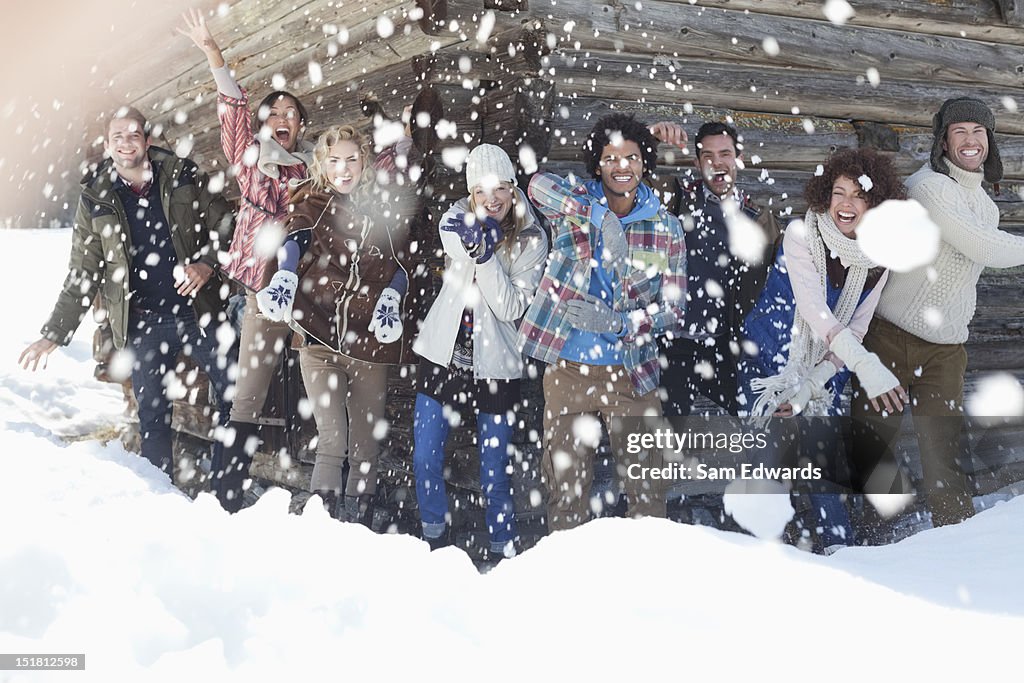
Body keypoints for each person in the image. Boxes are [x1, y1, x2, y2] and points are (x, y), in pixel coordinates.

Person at [19, 106, 235, 475]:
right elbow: (82, 273)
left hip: (197, 311)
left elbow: (227, 223)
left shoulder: (182, 174)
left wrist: (207, 263)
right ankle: (161, 494)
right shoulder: (96, 198)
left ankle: (226, 490)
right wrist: (54, 334)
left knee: (234, 394)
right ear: (108, 144)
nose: (125, 143)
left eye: (133, 135)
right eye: (117, 137)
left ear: (147, 140)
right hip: (144, 322)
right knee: (152, 415)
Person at [851, 97, 1024, 530]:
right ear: (943, 140)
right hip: (890, 337)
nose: (970, 140)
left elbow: (983, 246)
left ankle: (955, 543)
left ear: (989, 141)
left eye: (979, 132)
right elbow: (984, 247)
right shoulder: (929, 187)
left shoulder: (984, 204)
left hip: (946, 349)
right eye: (959, 131)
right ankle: (860, 543)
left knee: (944, 452)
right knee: (873, 445)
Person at [519, 112, 687, 532]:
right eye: (611, 158)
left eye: (631, 157)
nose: (622, 167)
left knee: (648, 489)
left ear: (644, 164)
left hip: (633, 374)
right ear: (597, 164)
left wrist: (619, 324)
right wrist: (598, 216)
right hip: (567, 373)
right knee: (566, 489)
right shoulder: (573, 199)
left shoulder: (665, 227)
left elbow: (674, 309)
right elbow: (535, 185)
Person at [737, 148, 909, 553]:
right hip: (768, 361)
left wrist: (815, 381)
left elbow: (857, 326)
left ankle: (841, 555)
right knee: (764, 466)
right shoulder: (802, 235)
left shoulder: (878, 259)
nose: (846, 204)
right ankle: (757, 557)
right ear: (825, 195)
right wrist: (865, 364)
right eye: (839, 192)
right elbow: (815, 311)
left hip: (828, 364)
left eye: (859, 195)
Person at [180, 9, 313, 510]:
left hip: (287, 299)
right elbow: (232, 109)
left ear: (301, 127)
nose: (281, 120)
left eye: (291, 115)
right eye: (274, 113)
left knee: (266, 397)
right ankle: (224, 491)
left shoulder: (309, 171)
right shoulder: (250, 157)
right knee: (235, 394)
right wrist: (213, 54)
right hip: (242, 291)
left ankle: (247, 489)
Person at [256, 124, 418, 525]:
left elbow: (403, 262)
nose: (343, 169)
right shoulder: (310, 200)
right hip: (319, 338)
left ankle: (359, 522)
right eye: (334, 161)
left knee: (365, 443)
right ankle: (324, 523)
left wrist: (393, 297)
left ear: (364, 162)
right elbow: (296, 237)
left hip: (368, 343)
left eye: (351, 160)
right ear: (322, 164)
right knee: (332, 438)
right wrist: (286, 274)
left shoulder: (383, 206)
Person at [411, 144, 548, 558]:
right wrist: (473, 240)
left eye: (501, 188)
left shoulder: (531, 239)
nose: (492, 200)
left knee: (494, 471)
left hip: (495, 365)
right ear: (470, 194)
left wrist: (486, 256)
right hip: (443, 356)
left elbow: (508, 306)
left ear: (513, 187)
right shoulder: (457, 217)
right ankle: (434, 538)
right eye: (481, 191)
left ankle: (502, 547)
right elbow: (452, 236)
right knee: (425, 457)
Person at [651, 121, 780, 416]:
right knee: (669, 443)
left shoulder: (759, 220)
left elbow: (789, 281)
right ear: (697, 163)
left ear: (738, 158)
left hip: (724, 347)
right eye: (707, 156)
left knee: (763, 416)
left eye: (724, 154)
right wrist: (649, 140)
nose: (716, 162)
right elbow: (628, 183)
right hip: (673, 346)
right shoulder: (675, 199)